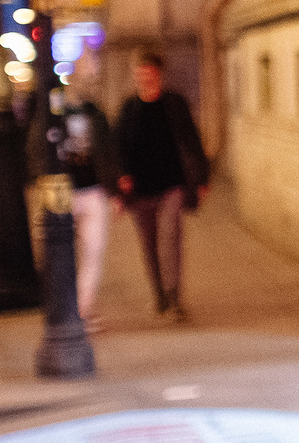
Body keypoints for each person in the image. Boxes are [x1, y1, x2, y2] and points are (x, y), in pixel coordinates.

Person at [114, 49, 208, 319]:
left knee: (171, 238)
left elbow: (192, 140)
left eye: (148, 74)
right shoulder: (129, 108)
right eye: (139, 75)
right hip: (140, 189)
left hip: (172, 184)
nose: (144, 79)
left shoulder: (174, 103)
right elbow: (117, 146)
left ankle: (175, 297)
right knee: (150, 245)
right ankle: (160, 295)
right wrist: (121, 178)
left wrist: (202, 178)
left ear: (159, 75)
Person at [28, 66, 119, 327]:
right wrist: (39, 181)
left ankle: (82, 310)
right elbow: (36, 148)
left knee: (94, 250)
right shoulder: (50, 116)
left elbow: (108, 151)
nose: (82, 87)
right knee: (57, 251)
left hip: (93, 190)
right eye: (77, 82)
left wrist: (115, 189)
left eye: (88, 82)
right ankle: (60, 308)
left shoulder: (96, 114)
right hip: (61, 190)